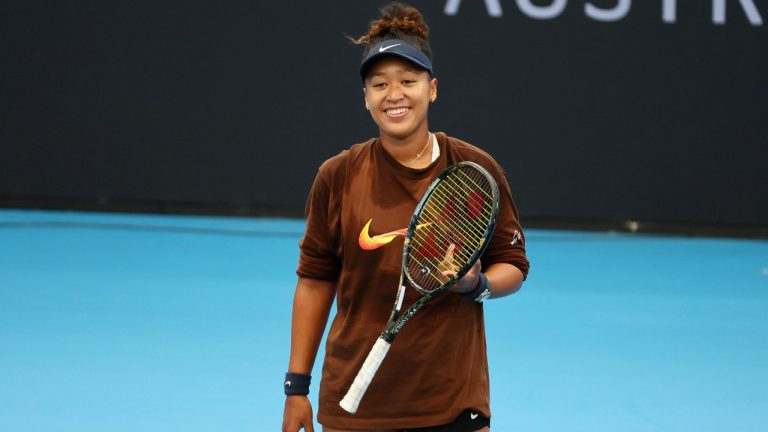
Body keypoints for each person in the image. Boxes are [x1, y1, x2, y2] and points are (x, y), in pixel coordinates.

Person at [282, 3, 529, 431]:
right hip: (354, 407)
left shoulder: (474, 170)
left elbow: (514, 265)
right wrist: (296, 387)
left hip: (452, 401)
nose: (394, 94)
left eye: (408, 81)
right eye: (379, 84)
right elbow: (315, 278)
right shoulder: (337, 175)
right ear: (365, 97)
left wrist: (477, 285)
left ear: (432, 89)